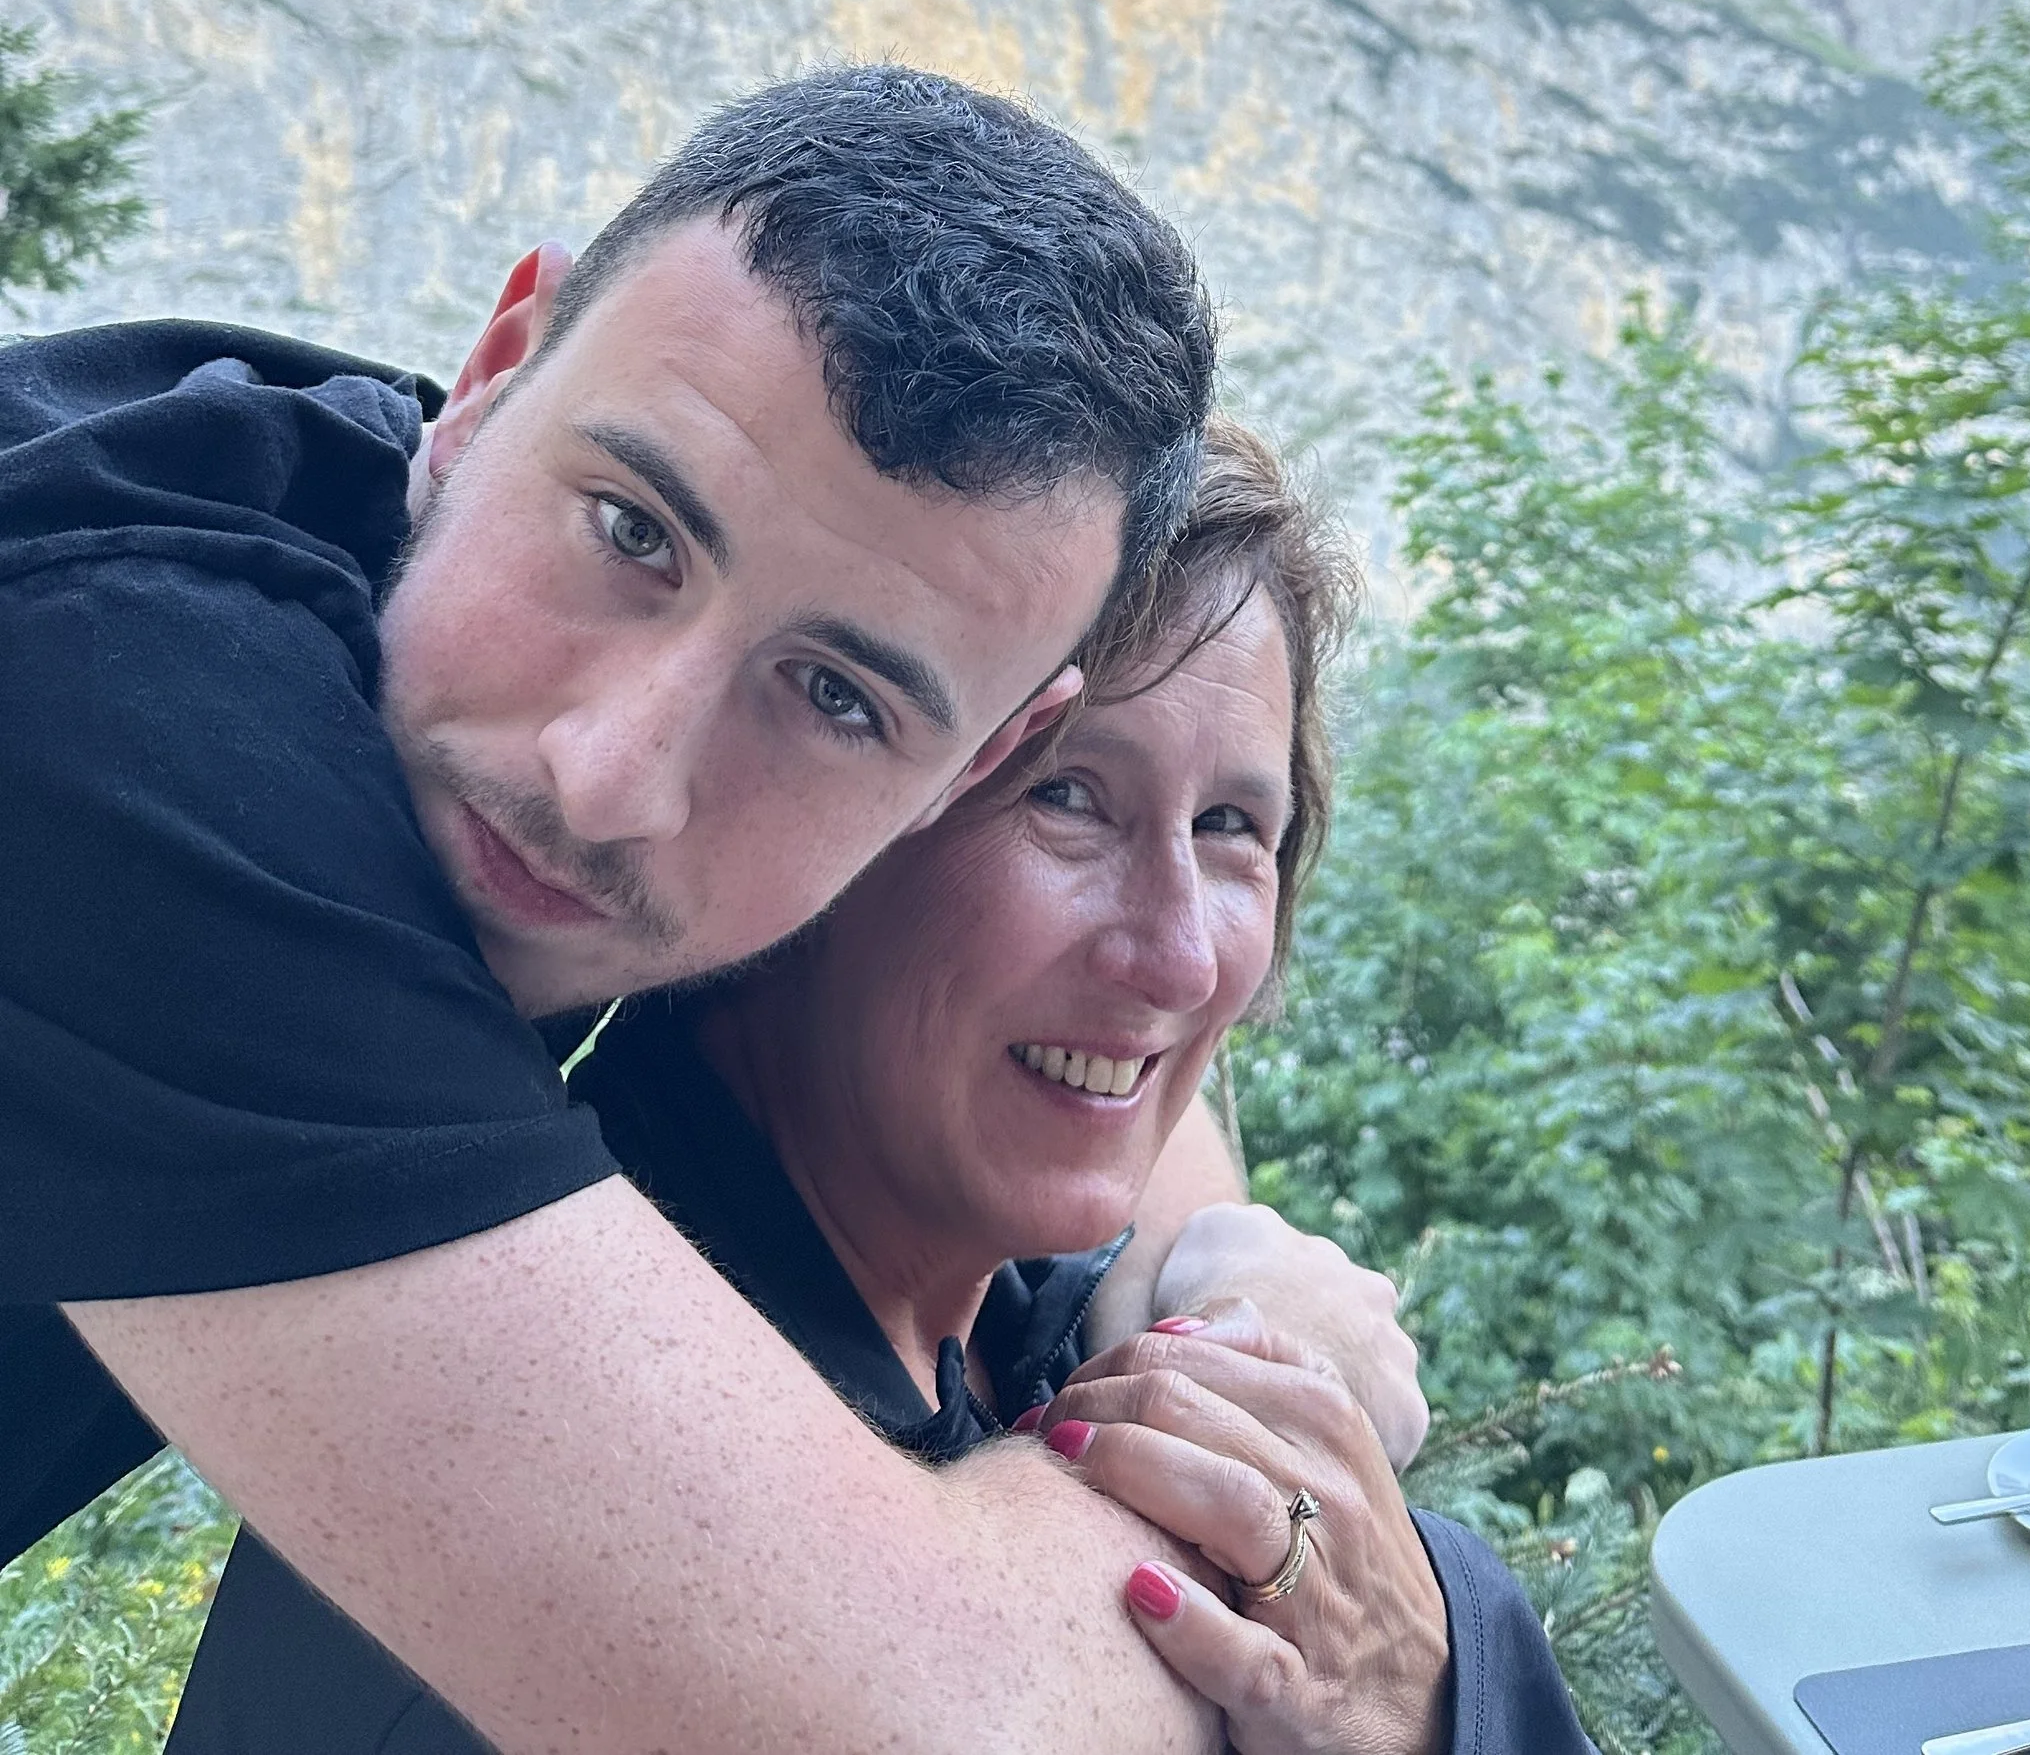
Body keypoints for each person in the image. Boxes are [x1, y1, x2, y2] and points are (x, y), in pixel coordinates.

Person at [2, 66, 1414, 1755]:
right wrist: (1290, 1450)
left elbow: (1145, 995)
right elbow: (934, 1714)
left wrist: (1232, 1282)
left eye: (837, 700)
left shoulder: (456, 492)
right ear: (491, 375)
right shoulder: (115, 724)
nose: (611, 776)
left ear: (974, 758)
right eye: (631, 533)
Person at [168, 422, 1592, 1755]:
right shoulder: (618, 1474)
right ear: (821, 813)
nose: (1173, 954)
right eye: (1068, 797)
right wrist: (1432, 1655)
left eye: (1233, 826)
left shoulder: (998, 1320)